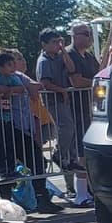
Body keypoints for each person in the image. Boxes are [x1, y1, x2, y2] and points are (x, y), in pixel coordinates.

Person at [0, 50, 62, 214]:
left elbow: (27, 89)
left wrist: (11, 90)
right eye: (11, 62)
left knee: (37, 159)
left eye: (16, 60)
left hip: (19, 126)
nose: (16, 64)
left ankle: (42, 198)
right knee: (5, 165)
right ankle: (7, 205)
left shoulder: (16, 77)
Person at [36, 29, 79, 177]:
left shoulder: (59, 56)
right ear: (44, 44)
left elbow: (72, 69)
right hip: (53, 99)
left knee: (72, 128)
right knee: (66, 127)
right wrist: (62, 90)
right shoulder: (44, 61)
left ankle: (71, 158)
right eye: (54, 42)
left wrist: (64, 52)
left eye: (59, 41)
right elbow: (45, 83)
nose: (57, 45)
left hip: (63, 98)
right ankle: (58, 154)